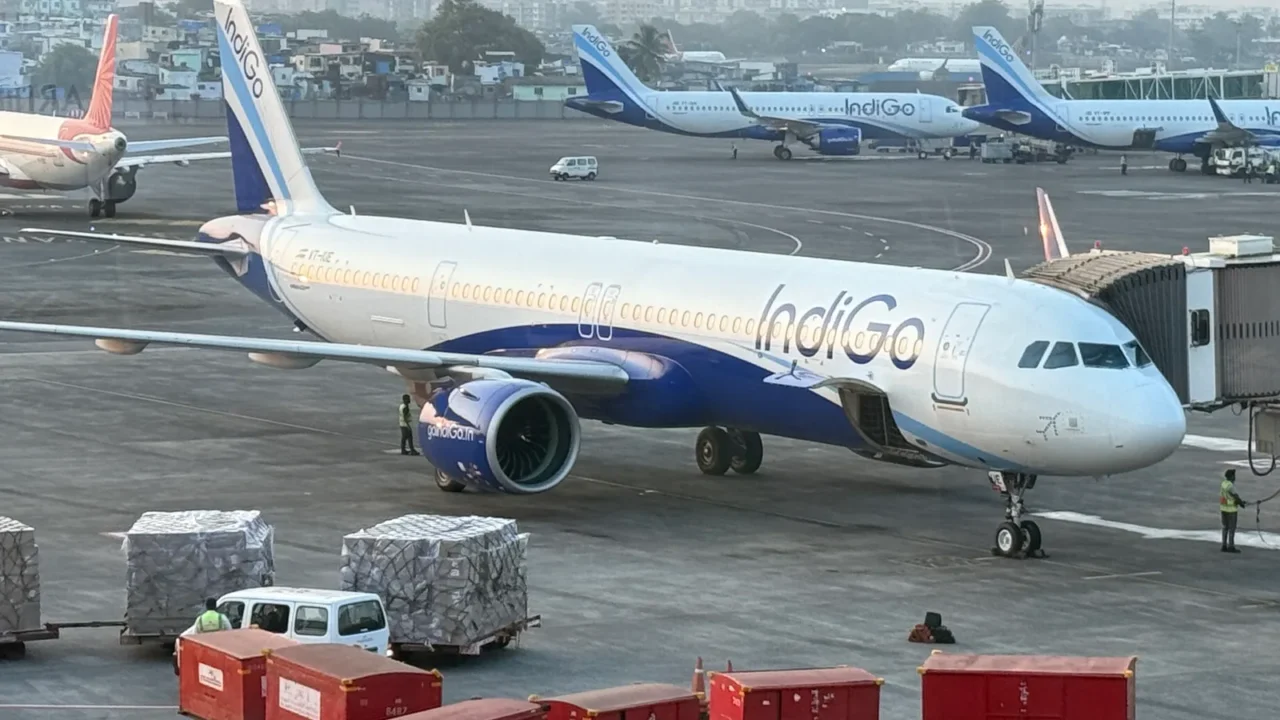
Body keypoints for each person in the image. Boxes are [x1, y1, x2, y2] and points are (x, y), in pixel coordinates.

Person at [1221, 468, 1247, 553]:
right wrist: (1241, 504)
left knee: (1225, 528)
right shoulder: (1230, 486)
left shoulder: (1223, 484)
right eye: (1234, 476)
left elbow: (1229, 496)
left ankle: (1224, 545)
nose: (1235, 477)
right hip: (1231, 510)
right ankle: (1231, 546)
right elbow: (1235, 496)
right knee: (1232, 529)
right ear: (1231, 477)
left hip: (1223, 509)